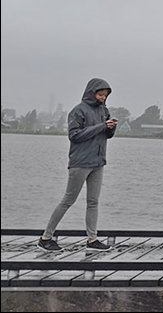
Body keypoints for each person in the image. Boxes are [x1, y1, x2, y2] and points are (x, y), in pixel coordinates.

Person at [37, 78, 118, 252]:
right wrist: (101, 126)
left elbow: (106, 135)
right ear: (92, 93)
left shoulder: (104, 110)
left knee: (93, 202)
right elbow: (75, 136)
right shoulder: (77, 111)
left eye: (105, 95)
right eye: (100, 94)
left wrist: (110, 128)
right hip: (80, 163)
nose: (103, 98)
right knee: (68, 200)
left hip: (98, 162)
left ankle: (92, 239)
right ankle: (45, 238)